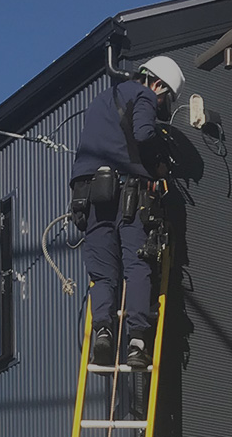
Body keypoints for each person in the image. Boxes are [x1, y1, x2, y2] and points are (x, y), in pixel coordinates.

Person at [70, 56, 184, 368]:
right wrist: (158, 163)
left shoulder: (101, 99)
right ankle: (136, 342)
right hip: (128, 195)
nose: (161, 105)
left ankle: (104, 332)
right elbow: (145, 134)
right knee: (136, 265)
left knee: (103, 273)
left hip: (90, 196)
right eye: (165, 99)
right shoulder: (144, 94)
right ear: (157, 83)